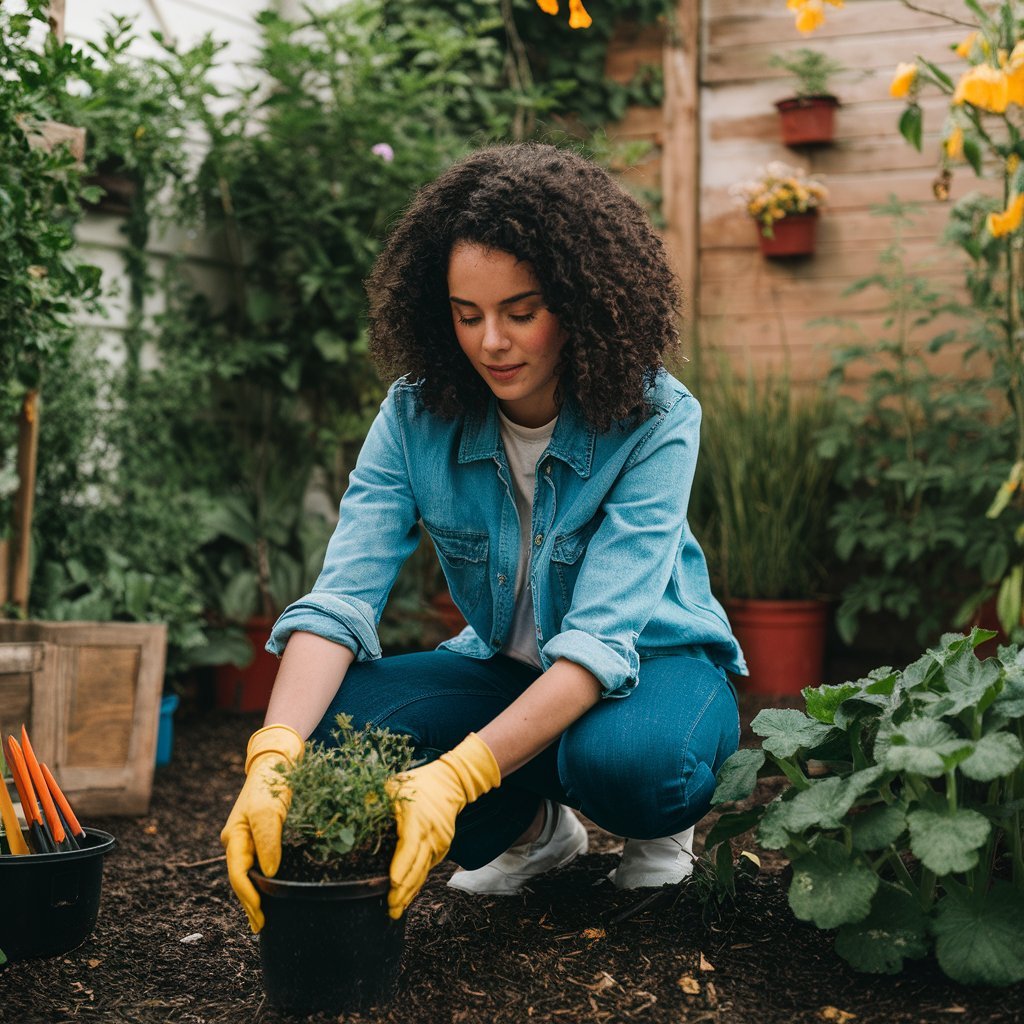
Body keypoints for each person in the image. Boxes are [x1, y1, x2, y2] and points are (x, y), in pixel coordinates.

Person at [220, 142, 746, 932]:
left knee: (626, 760)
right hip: (510, 668)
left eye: (520, 312)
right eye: (468, 315)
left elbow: (601, 642)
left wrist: (456, 776)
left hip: (652, 663)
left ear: (578, 303)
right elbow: (341, 601)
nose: (490, 341)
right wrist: (275, 751)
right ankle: (536, 834)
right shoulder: (413, 416)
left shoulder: (657, 419)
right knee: (336, 731)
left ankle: (657, 828)